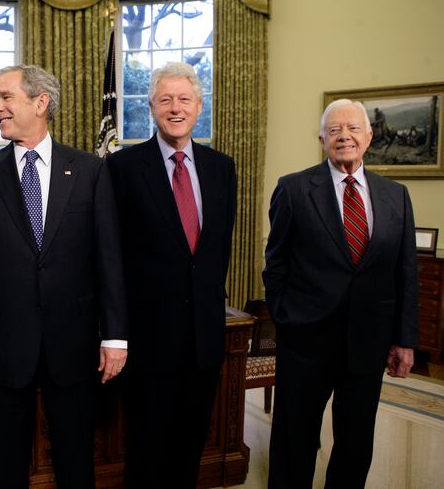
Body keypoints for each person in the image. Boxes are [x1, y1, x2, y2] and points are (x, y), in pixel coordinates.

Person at [0, 64, 127, 488]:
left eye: (5, 97)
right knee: (5, 460)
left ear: (40, 102)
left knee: (75, 457)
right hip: (2, 346)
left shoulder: (89, 170)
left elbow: (109, 258)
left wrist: (115, 336)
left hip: (74, 342)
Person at [263, 99, 418, 489]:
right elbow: (275, 264)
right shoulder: (294, 189)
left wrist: (404, 339)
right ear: (321, 138)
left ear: (369, 137)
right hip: (306, 343)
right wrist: (286, 318)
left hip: (368, 344)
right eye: (334, 130)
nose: (344, 136)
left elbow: (405, 272)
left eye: (352, 129)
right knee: (293, 442)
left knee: (355, 444)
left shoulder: (395, 195)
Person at [106, 61, 237, 488]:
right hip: (149, 341)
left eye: (184, 99)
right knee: (146, 450)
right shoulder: (123, 168)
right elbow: (112, 256)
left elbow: (218, 252)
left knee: (190, 448)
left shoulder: (222, 168)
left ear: (199, 107)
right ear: (152, 109)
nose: (175, 108)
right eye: (165, 100)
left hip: (203, 340)